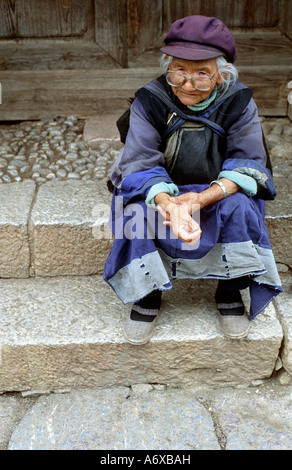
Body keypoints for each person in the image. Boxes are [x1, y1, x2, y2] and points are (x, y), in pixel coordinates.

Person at [103, 15, 283, 345]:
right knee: (136, 213)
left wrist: (202, 199)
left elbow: (248, 161)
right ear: (167, 66)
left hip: (218, 189)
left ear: (222, 75)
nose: (188, 83)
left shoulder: (239, 101)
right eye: (180, 70)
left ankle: (229, 289)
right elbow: (140, 160)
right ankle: (148, 293)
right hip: (161, 187)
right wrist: (166, 202)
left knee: (243, 206)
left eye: (202, 73)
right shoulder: (151, 99)